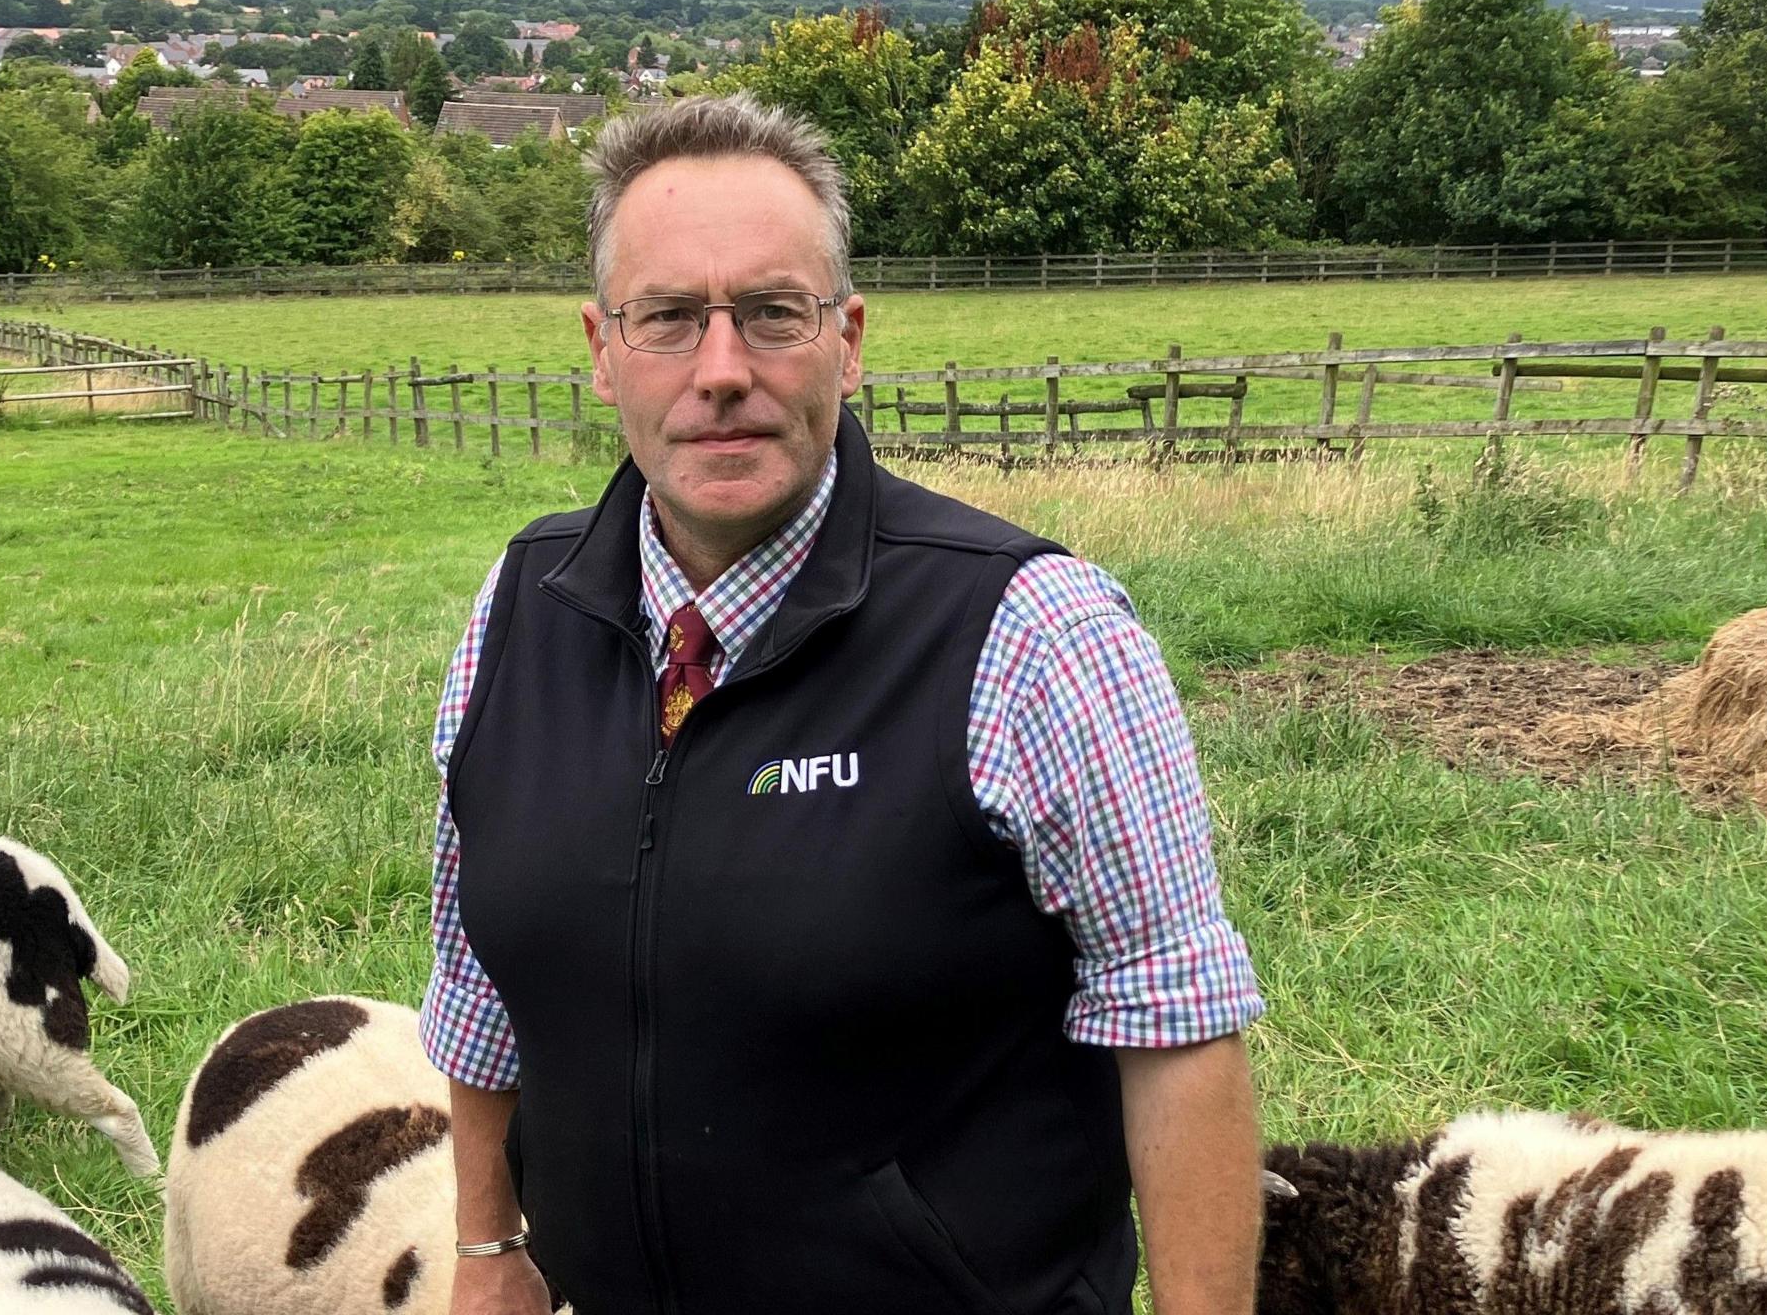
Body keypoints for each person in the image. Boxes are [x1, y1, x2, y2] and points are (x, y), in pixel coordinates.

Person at [422, 93, 1264, 1315]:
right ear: (603, 349)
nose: (722, 371)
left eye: (772, 315)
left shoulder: (1032, 633)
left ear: (849, 338)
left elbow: (1175, 1020)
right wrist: (488, 1248)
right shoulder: (520, 611)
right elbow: (475, 976)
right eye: (669, 319)